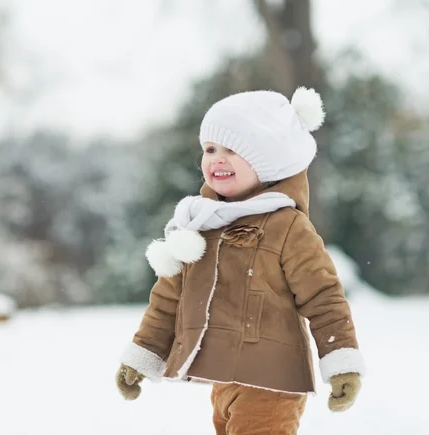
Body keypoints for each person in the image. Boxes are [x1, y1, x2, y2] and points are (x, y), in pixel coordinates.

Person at [115, 87, 365, 434]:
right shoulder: (199, 224)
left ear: (268, 161)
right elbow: (169, 298)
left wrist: (341, 362)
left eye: (232, 150)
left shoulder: (287, 226)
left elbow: (323, 296)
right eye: (210, 149)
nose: (217, 158)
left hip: (272, 380)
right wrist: (143, 353)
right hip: (222, 379)